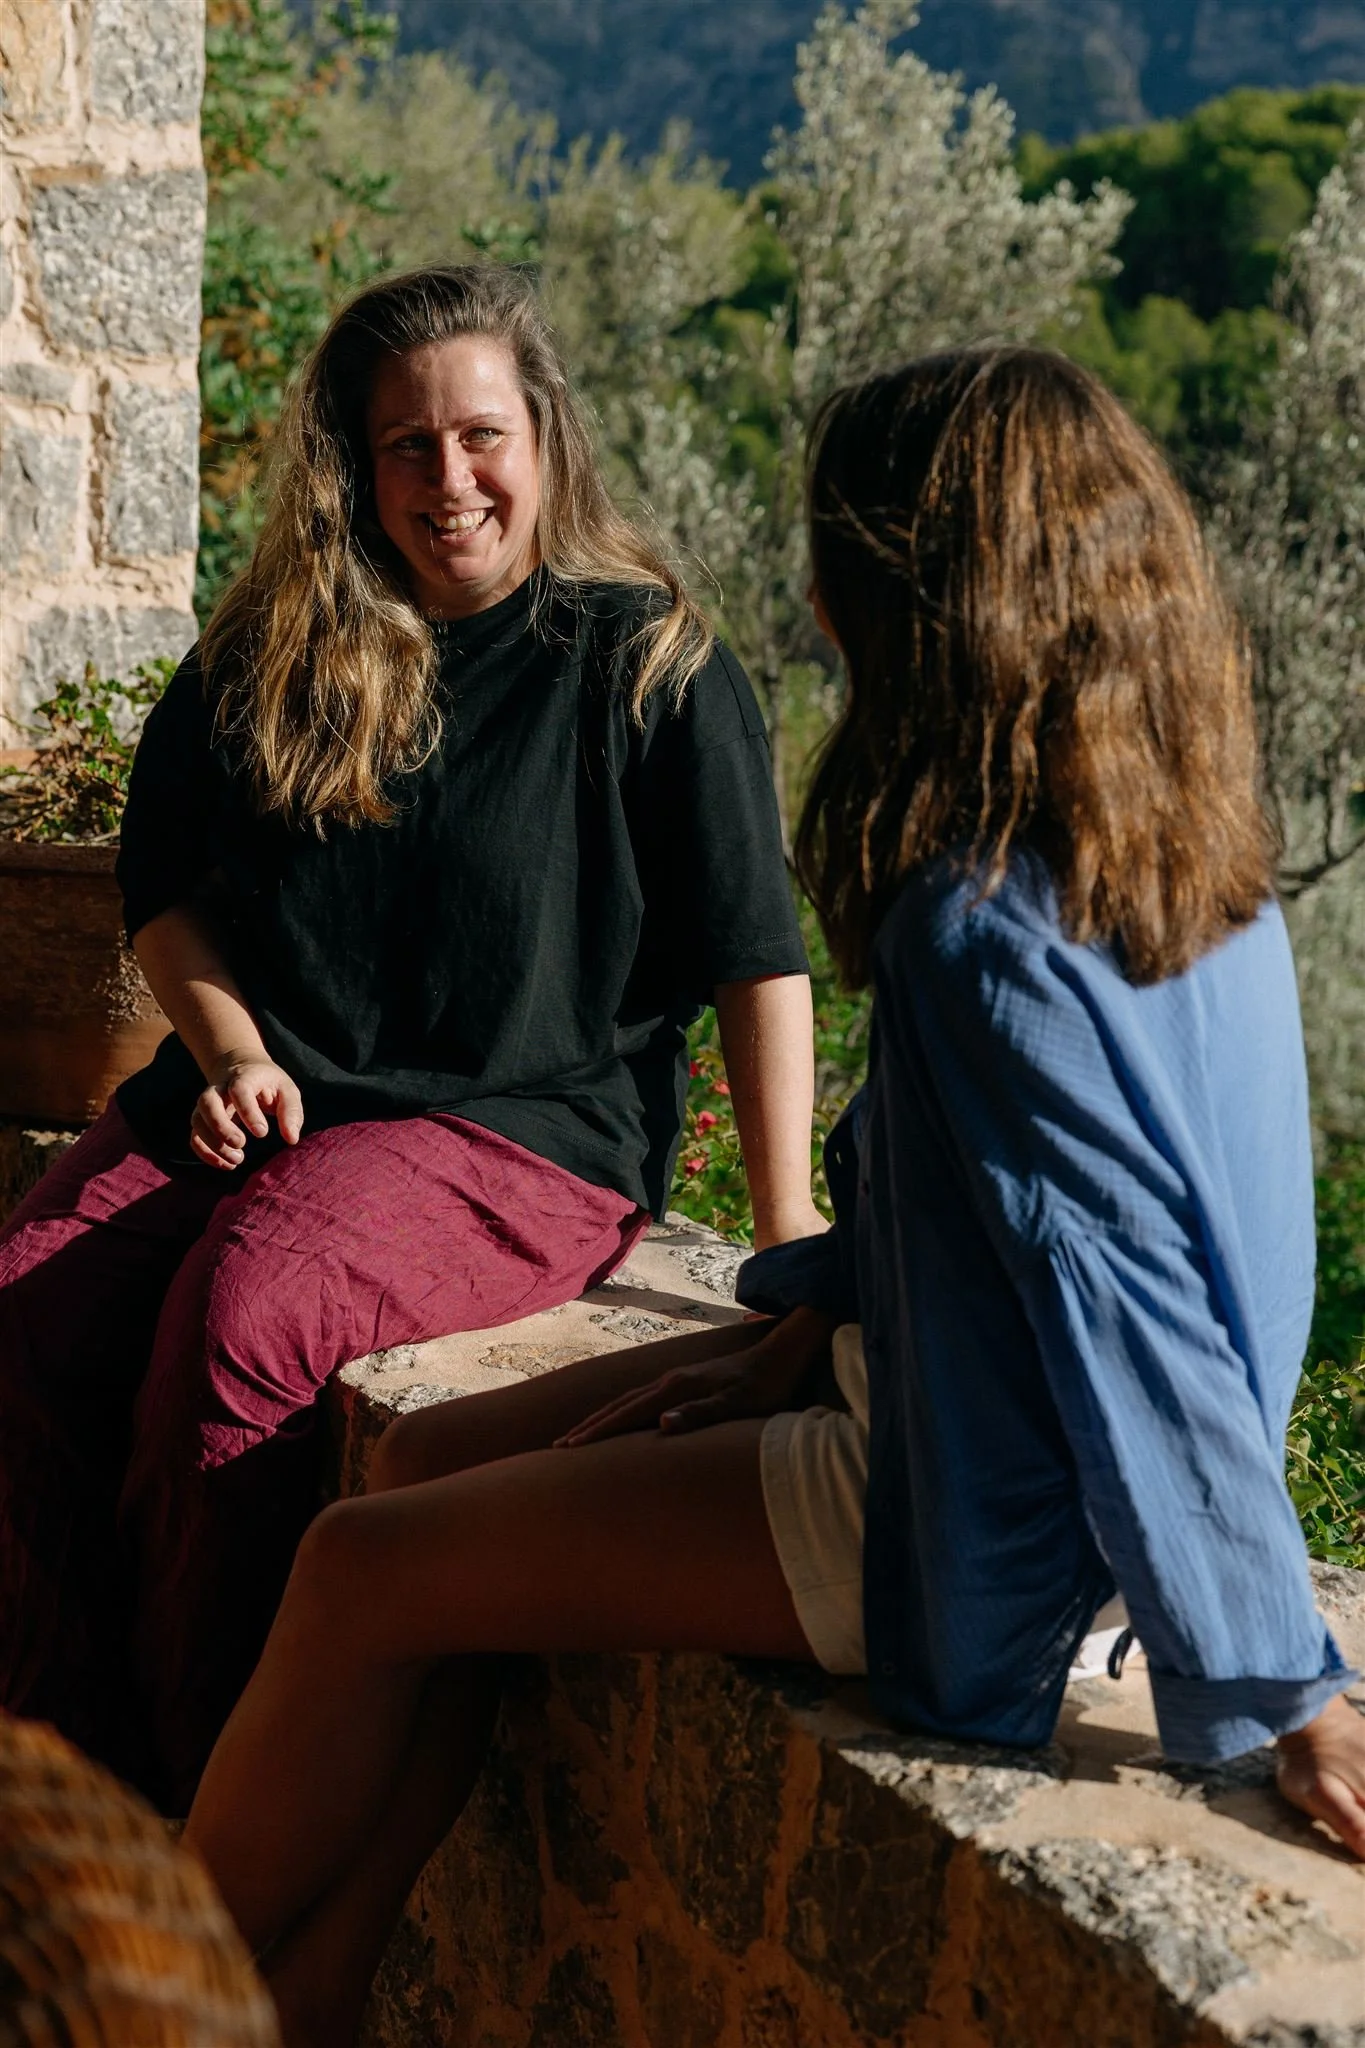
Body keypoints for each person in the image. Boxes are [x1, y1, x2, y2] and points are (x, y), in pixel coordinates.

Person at [183, 347, 1365, 2048]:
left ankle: (122, 2002)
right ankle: (305, 2001)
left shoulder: (981, 933)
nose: (806, 590)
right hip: (959, 1411)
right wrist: (798, 1326)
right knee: (427, 1459)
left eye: (840, 549)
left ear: (916, 593)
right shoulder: (1184, 858)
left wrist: (1279, 1683)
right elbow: (999, 1210)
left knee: (366, 1569)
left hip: (969, 1510)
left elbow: (1133, 1303)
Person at [0, 266, 823, 1812]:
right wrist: (233, 1049)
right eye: (406, 447)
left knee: (246, 1324)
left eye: (481, 437)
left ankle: (208, 1809)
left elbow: (755, 959)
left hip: (512, 1137)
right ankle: (61, 1808)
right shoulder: (282, 651)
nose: (451, 481)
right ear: (352, 464)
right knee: (20, 1322)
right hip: (261, 1099)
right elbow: (164, 888)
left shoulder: (646, 665)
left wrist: (788, 1244)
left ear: (545, 440)